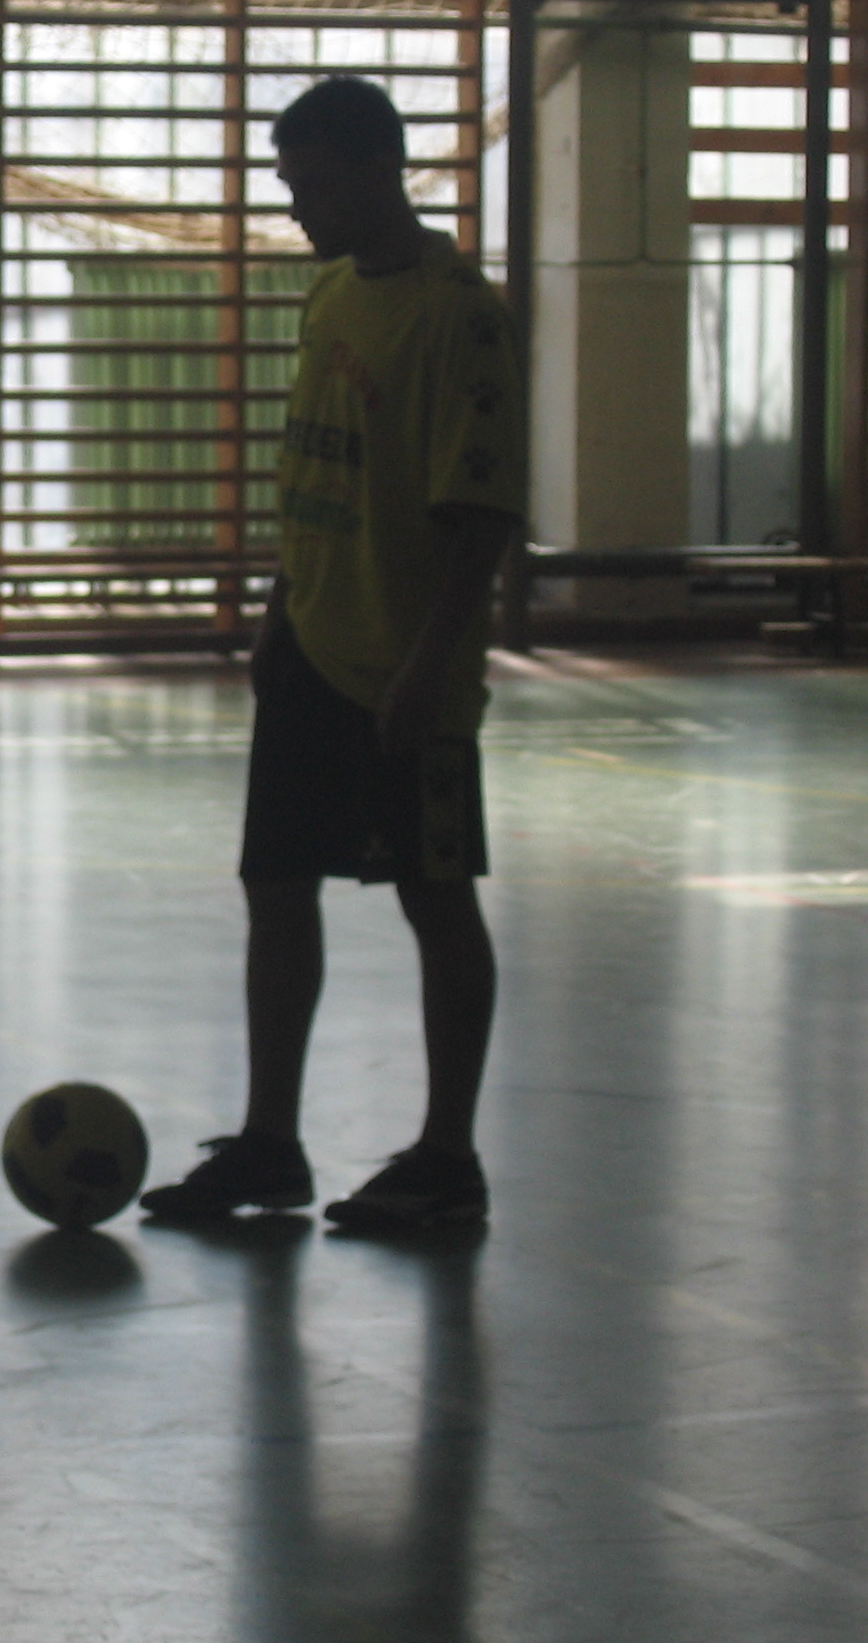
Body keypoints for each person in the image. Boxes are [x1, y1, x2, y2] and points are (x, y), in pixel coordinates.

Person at [140, 76, 521, 1231]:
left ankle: (447, 1157)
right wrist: (276, 606)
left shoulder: (460, 317)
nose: (295, 208)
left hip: (404, 664)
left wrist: (427, 666)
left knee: (433, 896)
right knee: (274, 884)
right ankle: (270, 1142)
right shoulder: (331, 296)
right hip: (313, 639)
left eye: (309, 187)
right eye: (287, 185)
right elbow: (316, 467)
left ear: (375, 171)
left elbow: (481, 518)